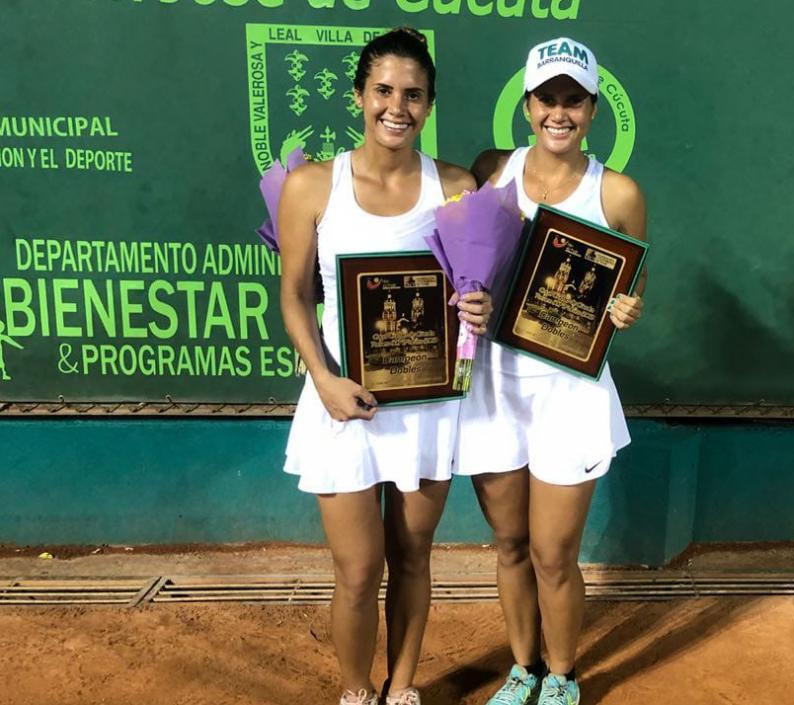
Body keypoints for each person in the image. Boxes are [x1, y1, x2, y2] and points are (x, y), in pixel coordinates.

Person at [277, 28, 490, 705]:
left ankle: (402, 687)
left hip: (427, 404)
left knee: (413, 556)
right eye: (384, 91)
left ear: (429, 104)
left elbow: (473, 288)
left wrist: (477, 305)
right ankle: (356, 689)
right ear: (360, 96)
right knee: (359, 566)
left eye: (413, 95)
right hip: (342, 401)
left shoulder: (456, 186)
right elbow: (292, 296)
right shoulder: (312, 185)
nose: (397, 107)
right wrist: (324, 379)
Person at [457, 36, 646, 705]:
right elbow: (457, 257)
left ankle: (561, 677)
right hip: (494, 387)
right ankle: (522, 667)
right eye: (547, 98)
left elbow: (629, 287)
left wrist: (626, 308)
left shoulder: (618, 193)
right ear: (527, 103)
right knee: (508, 544)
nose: (558, 112)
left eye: (573, 99)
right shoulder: (489, 169)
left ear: (593, 109)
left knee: (551, 554)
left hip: (570, 393)